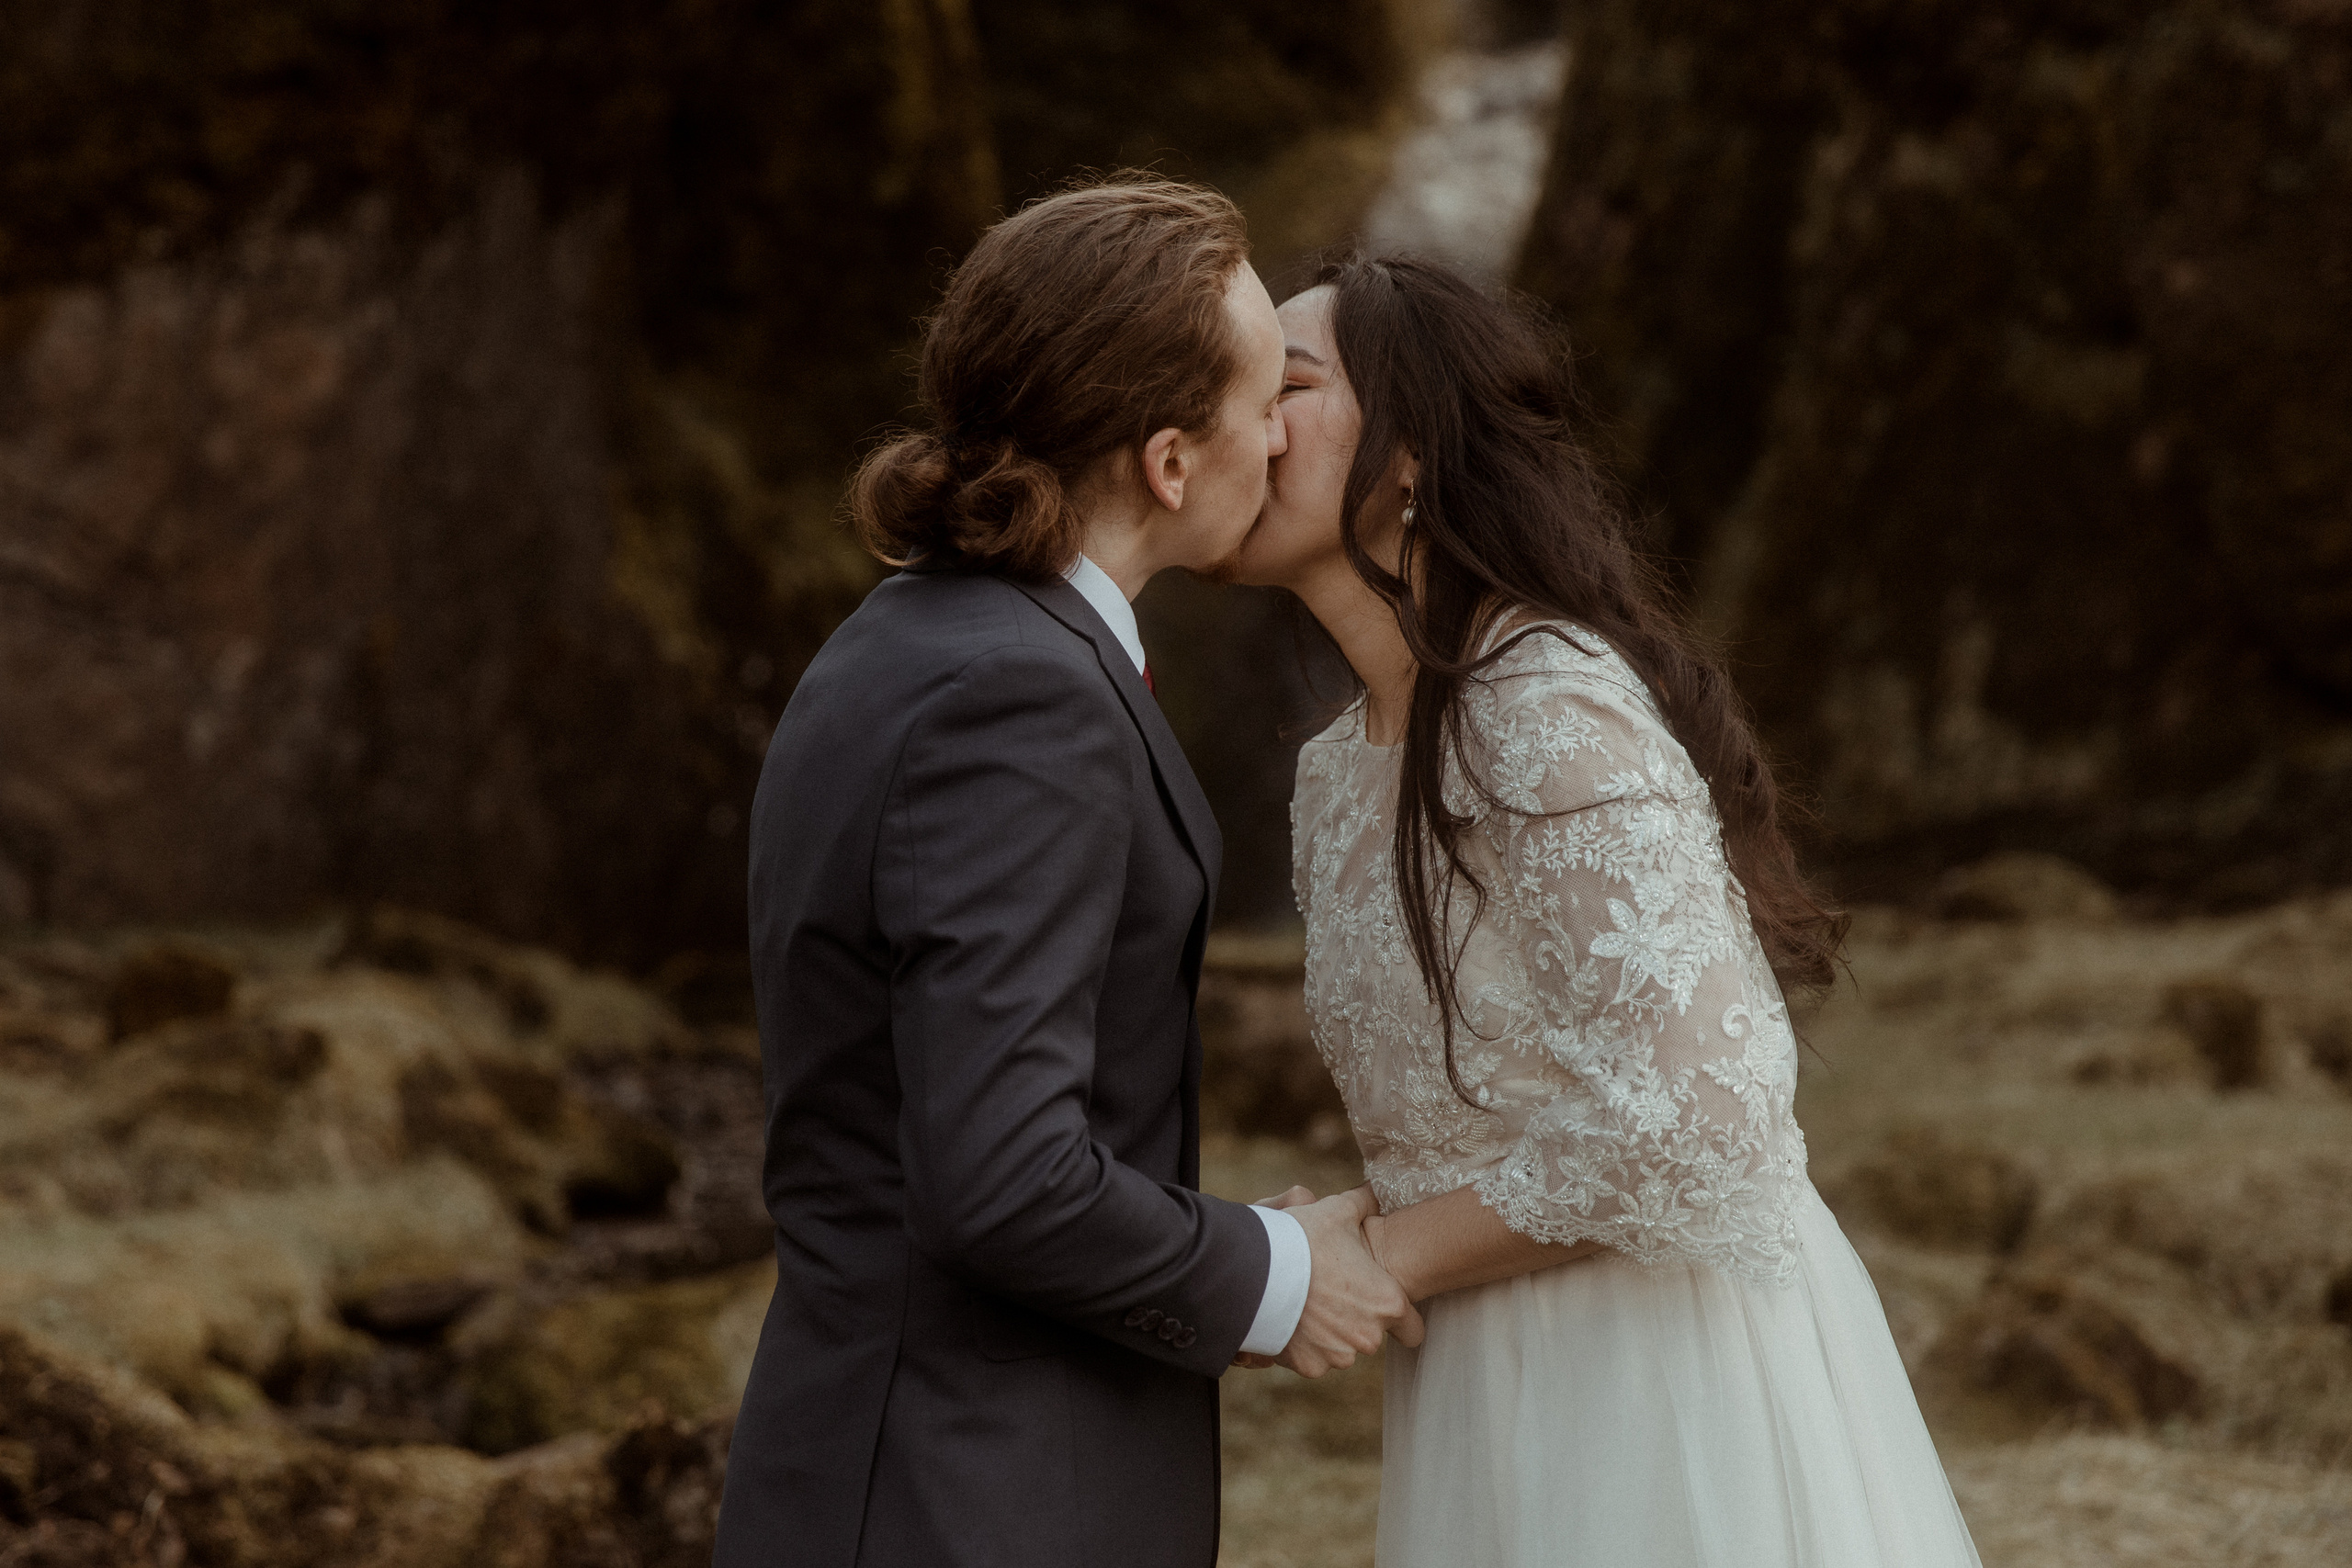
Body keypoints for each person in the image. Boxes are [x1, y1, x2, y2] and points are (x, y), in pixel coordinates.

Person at [1226, 254, 1984, 1568]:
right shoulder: (1336, 768)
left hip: (1655, 1381)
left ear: (1410, 452)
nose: (1247, 422)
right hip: (1480, 1373)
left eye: (1287, 383)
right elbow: (1505, 1110)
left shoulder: (1545, 697)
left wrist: (1383, 1256)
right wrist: (1342, 1231)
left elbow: (1706, 1115)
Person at [711, 178, 1421, 1568]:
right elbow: (1004, 1176)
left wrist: (1204, 1231)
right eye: (1264, 399)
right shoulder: (1020, 699)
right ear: (1168, 461)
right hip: (968, 1499)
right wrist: (1276, 1280)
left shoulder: (911, 634)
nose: (1283, 438)